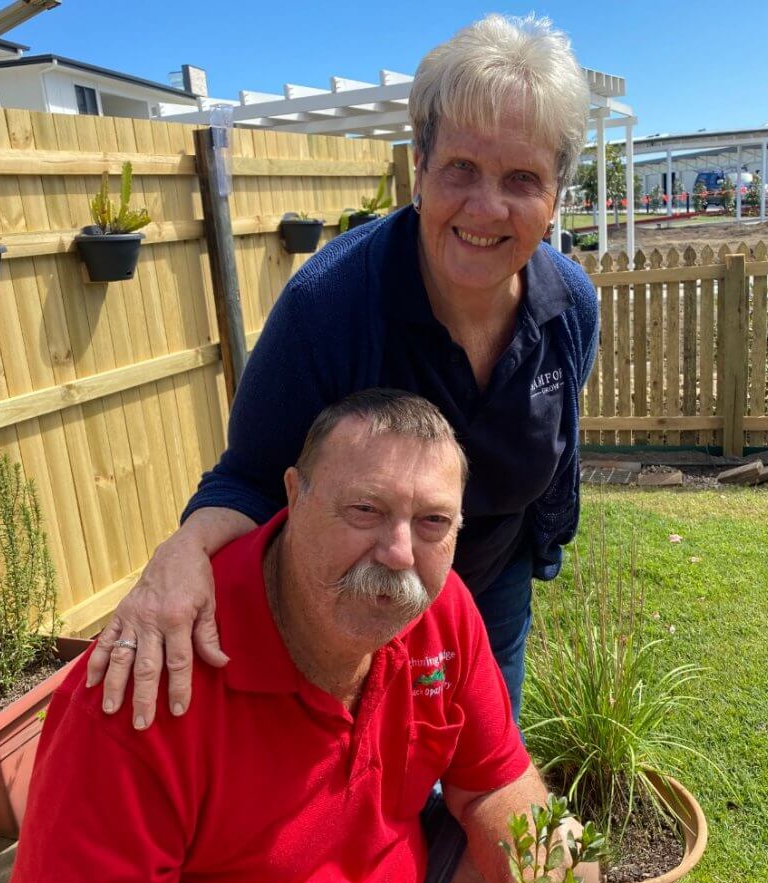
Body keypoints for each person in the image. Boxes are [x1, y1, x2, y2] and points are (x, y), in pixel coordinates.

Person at [7, 391, 608, 883]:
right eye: (365, 509)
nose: (400, 553)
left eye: (433, 522)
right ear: (295, 497)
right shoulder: (155, 673)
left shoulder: (442, 611)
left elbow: (494, 779)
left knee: (572, 875)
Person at [86, 12, 599, 730]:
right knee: (381, 808)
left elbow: (555, 450)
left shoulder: (571, 306)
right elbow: (251, 474)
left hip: (493, 586)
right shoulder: (328, 304)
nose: (487, 207)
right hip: (359, 604)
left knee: (480, 772)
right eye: (461, 168)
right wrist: (182, 552)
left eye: (522, 178)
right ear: (419, 166)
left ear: (555, 196)